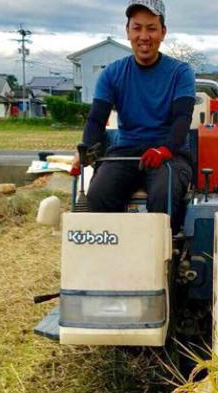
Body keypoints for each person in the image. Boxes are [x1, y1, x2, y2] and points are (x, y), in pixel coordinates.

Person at [72, 0, 196, 230]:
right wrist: (85, 150)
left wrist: (165, 149)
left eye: (151, 28)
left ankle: (165, 258)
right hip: (126, 152)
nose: (144, 36)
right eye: (137, 28)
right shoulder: (112, 74)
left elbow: (182, 118)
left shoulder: (181, 72)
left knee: (163, 197)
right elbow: (97, 118)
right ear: (127, 31)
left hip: (169, 153)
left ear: (163, 32)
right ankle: (116, 255)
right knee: (98, 194)